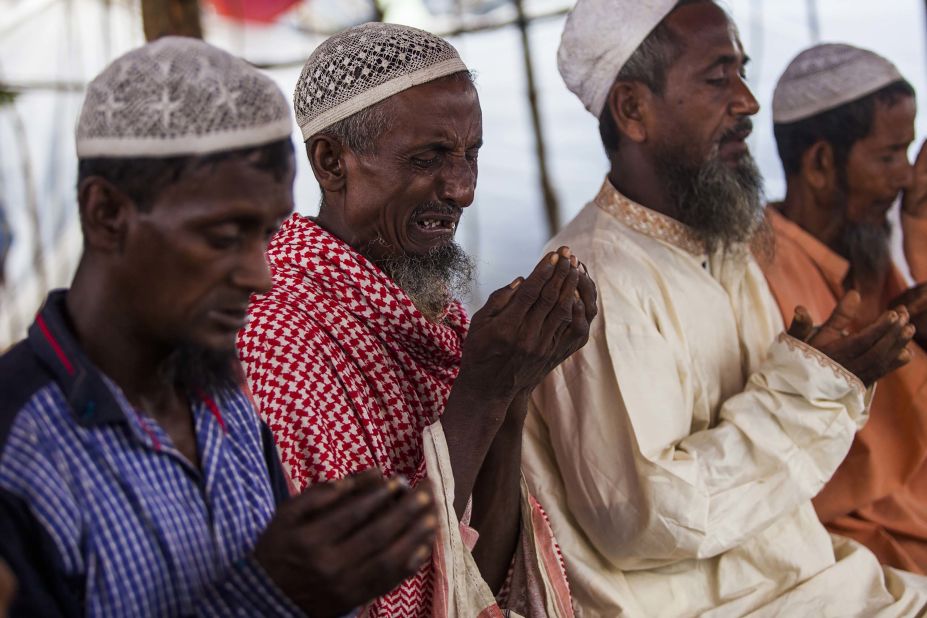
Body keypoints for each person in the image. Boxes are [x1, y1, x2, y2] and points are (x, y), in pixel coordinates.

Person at [0, 37, 439, 617]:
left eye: (266, 234)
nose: (261, 276)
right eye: (225, 236)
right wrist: (269, 596)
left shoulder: (224, 402)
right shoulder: (21, 448)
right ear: (107, 214)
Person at [521, 1, 927, 615]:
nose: (748, 102)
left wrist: (820, 374)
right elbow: (644, 519)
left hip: (806, 581)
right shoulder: (595, 279)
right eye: (718, 78)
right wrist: (810, 389)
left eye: (743, 71)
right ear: (633, 109)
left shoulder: (722, 238)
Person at [238, 22, 592, 617]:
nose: (462, 189)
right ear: (330, 163)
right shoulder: (279, 339)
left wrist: (512, 392)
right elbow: (377, 600)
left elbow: (482, 586)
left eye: (470, 154)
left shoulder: (422, 307)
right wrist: (480, 393)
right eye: (428, 158)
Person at [761, 43, 927, 574]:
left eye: (907, 153)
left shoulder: (870, 242)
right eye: (888, 155)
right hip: (851, 536)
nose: (904, 177)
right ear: (821, 162)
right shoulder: (758, 271)